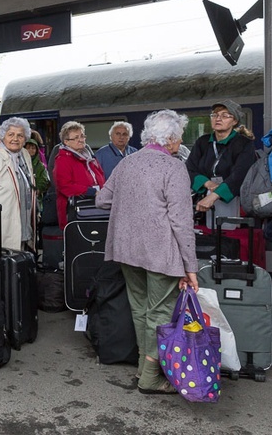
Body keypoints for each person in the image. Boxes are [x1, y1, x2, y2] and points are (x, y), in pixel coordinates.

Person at [96, 109, 198, 394]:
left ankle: (144, 366)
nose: (179, 143)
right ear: (171, 140)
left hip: (127, 250)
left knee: (140, 308)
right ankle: (151, 377)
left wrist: (133, 203)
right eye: (178, 138)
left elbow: (103, 199)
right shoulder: (173, 167)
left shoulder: (128, 162)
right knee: (161, 311)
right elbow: (181, 221)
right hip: (160, 253)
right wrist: (191, 266)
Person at [186, 100, 256, 216]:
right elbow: (189, 169)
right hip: (203, 203)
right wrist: (208, 184)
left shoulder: (244, 144)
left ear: (235, 121)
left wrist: (214, 195)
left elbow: (240, 174)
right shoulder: (202, 142)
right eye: (215, 115)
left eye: (225, 116)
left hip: (234, 205)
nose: (218, 119)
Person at [0, 118, 35, 250]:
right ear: (2, 136)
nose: (15, 139)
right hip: (2, 222)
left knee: (20, 259)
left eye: (20, 135)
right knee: (6, 263)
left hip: (23, 218)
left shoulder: (24, 154)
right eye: (11, 134)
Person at [53, 121, 106, 231]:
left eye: (82, 136)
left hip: (93, 209)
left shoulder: (89, 158)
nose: (81, 139)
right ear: (66, 142)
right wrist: (90, 191)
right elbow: (64, 185)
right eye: (76, 137)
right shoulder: (63, 160)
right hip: (75, 212)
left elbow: (101, 177)